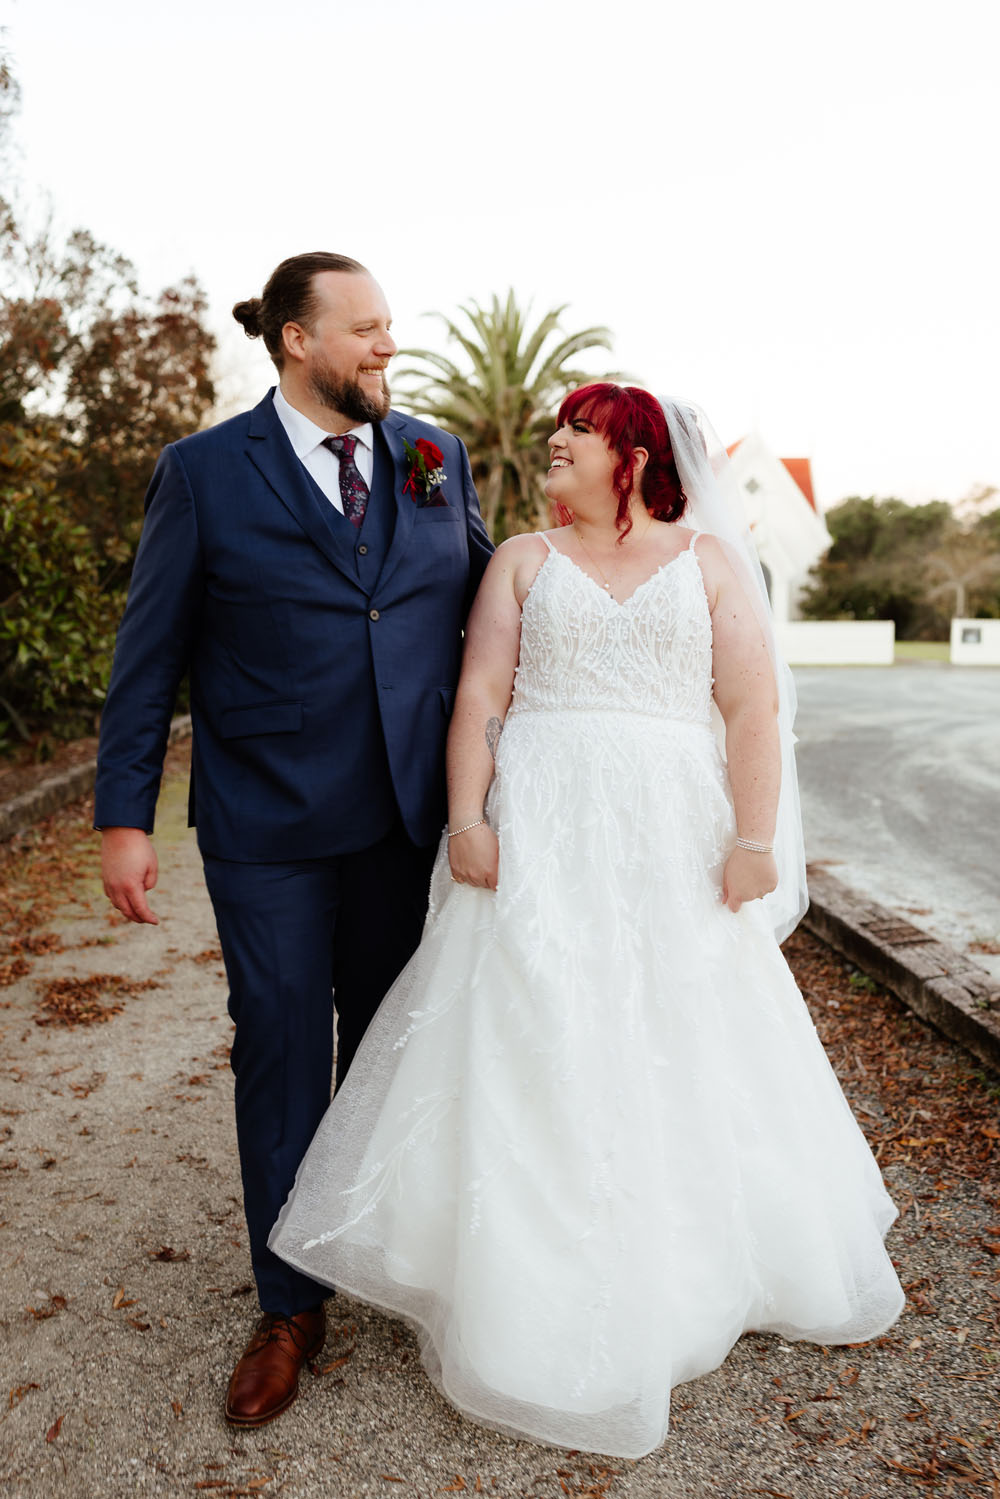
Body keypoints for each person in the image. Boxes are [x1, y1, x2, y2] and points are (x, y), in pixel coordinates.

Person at [269, 384, 905, 1459]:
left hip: (672, 831)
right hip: (542, 823)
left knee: (681, 1025)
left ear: (633, 452)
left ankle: (696, 1257)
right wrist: (466, 817)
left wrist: (754, 837)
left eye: (577, 430)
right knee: (530, 1023)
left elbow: (752, 704)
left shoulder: (706, 561)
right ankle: (523, 1272)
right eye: (555, 430)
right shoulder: (519, 557)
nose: (553, 442)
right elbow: (479, 698)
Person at [93, 252, 493, 1427]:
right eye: (364, 330)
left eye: (389, 330)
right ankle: (289, 1304)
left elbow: (487, 603)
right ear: (295, 341)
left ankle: (381, 1256)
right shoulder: (205, 472)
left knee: (386, 1046)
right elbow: (147, 654)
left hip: (404, 816)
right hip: (266, 820)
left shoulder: (433, 455)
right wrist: (124, 817)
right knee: (278, 1043)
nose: (386, 349)